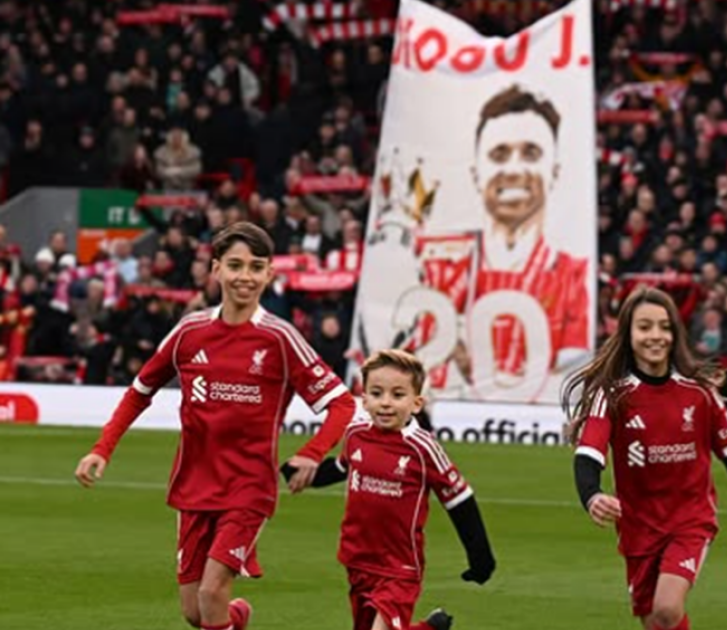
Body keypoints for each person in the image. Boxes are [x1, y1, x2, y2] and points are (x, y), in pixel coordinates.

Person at [74, 222, 358, 630]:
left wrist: (312, 453)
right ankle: (236, 617)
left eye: (256, 267)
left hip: (248, 488)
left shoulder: (280, 338)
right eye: (236, 265)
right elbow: (140, 390)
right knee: (196, 611)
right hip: (193, 485)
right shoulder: (190, 331)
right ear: (216, 269)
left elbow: (342, 404)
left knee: (211, 593)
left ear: (269, 274)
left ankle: (223, 613)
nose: (246, 276)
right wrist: (102, 448)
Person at [564, 287, 727, 630]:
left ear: (675, 333)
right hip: (638, 528)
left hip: (689, 520)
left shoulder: (700, 392)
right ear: (628, 334)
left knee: (667, 609)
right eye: (644, 327)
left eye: (664, 327)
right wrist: (591, 495)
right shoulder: (613, 395)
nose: (655, 335)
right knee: (655, 620)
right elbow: (588, 454)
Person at [282, 349, 495, 630]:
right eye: (377, 393)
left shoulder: (423, 448)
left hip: (399, 566)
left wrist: (480, 556)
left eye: (397, 395)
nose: (385, 403)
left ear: (416, 403)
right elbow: (343, 468)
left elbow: (459, 499)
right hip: (357, 559)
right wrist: (305, 474)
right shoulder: (356, 434)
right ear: (364, 399)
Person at [416, 85, 590, 397]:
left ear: (555, 172)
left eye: (531, 153)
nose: (513, 169)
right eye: (499, 155)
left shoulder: (573, 278)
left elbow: (570, 381)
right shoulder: (440, 270)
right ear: (476, 173)